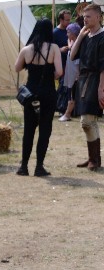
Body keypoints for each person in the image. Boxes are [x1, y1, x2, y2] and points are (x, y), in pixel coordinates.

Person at [14, 18, 63, 177]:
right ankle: (39, 167)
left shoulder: (26, 49)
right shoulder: (54, 48)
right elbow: (59, 72)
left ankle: (23, 166)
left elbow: (17, 67)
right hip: (48, 92)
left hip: (30, 93)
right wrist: (51, 75)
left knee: (29, 130)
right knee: (45, 129)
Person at [69, 3, 104, 170]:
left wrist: (101, 89)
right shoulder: (87, 36)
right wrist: (81, 36)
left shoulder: (103, 37)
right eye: (84, 17)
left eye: (88, 16)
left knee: (88, 121)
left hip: (96, 79)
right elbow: (72, 55)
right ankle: (93, 158)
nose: (85, 19)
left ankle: (95, 160)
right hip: (84, 79)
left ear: (98, 17)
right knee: (87, 121)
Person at [59, 23, 82, 121]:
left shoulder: (77, 46)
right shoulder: (73, 43)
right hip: (70, 73)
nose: (66, 34)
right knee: (70, 94)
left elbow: (78, 62)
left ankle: (67, 114)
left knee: (72, 95)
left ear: (73, 33)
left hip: (75, 74)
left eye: (68, 32)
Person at [53, 9, 72, 114]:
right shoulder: (54, 33)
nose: (69, 22)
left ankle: (64, 107)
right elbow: (50, 49)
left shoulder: (70, 30)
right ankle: (60, 107)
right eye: (67, 20)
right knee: (62, 86)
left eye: (70, 19)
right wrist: (60, 49)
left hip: (71, 63)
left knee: (67, 87)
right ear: (61, 19)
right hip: (60, 64)